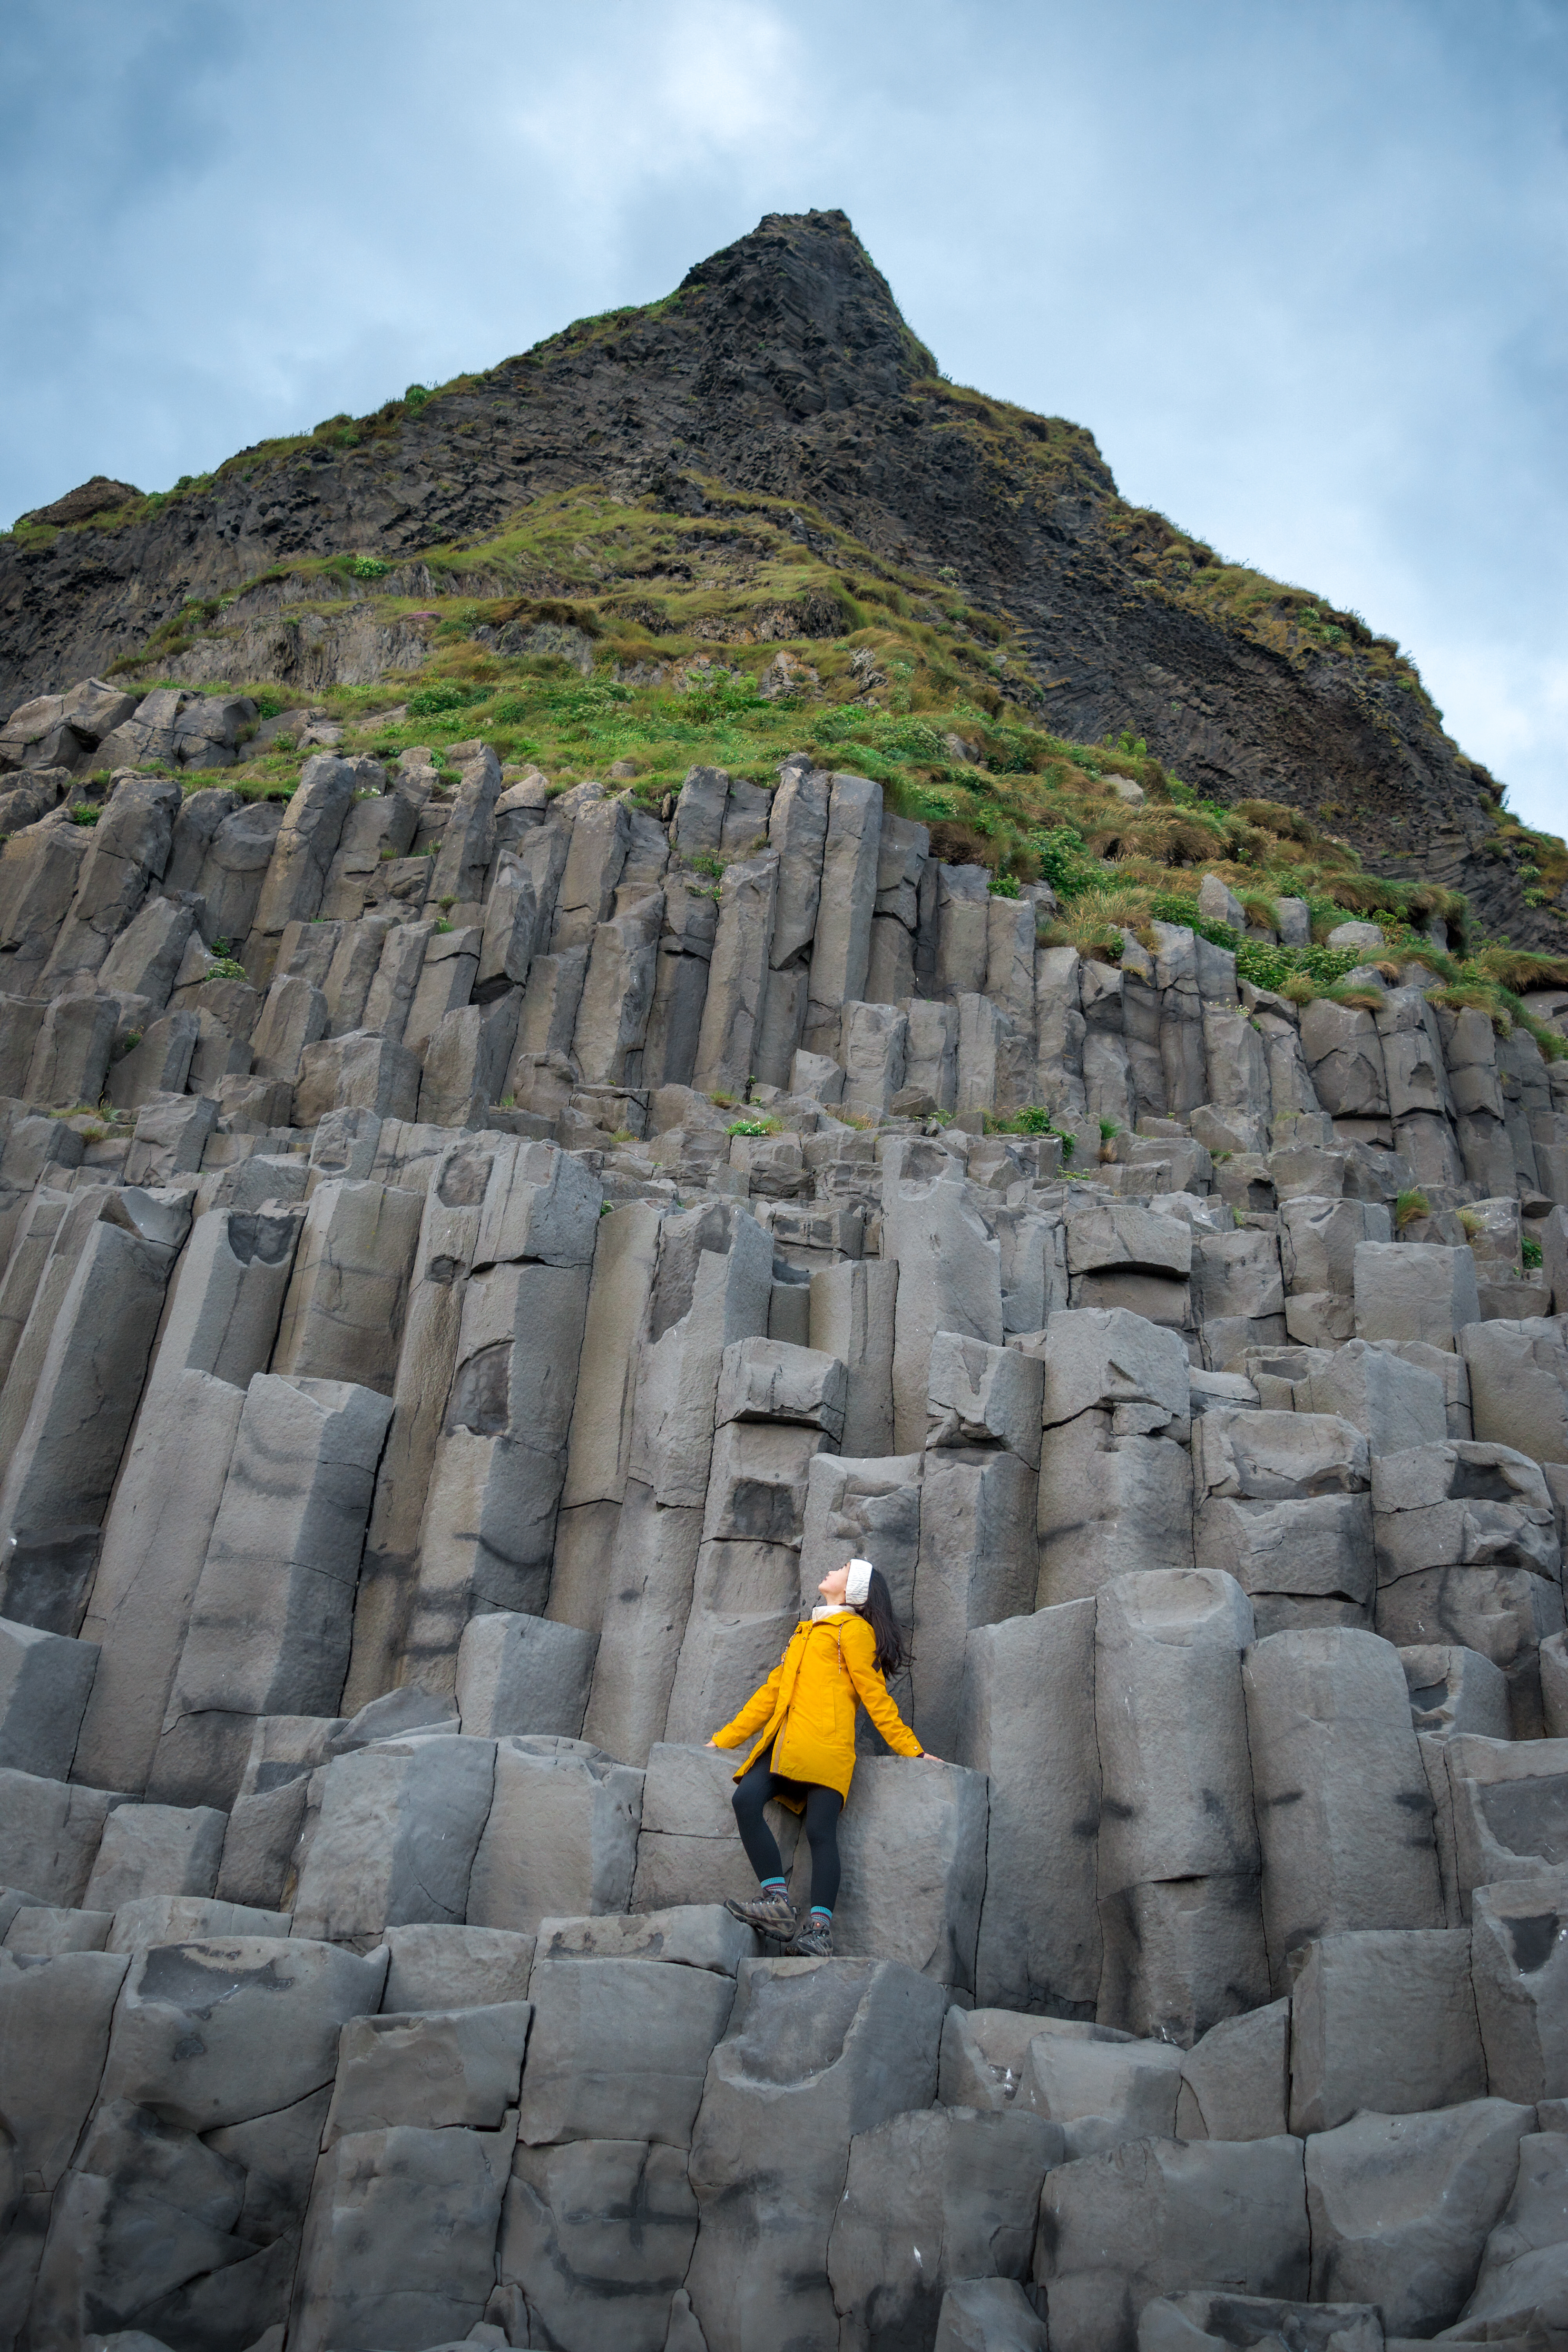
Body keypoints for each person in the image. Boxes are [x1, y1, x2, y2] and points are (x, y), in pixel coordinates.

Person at [706, 1554, 938, 1958]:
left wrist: (913, 1751)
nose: (831, 1571)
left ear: (853, 1591)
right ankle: (776, 1903)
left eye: (842, 1571)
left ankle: (820, 1933)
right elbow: (770, 1694)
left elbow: (876, 1697)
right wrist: (722, 1741)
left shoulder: (855, 1631)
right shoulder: (805, 1632)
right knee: (745, 1799)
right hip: (787, 1743)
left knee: (820, 1832)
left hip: (829, 1747)